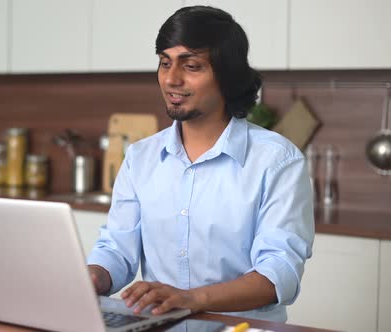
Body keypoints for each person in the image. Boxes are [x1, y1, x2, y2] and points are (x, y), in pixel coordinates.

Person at [87, 5, 314, 322]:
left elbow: (279, 272)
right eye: (165, 63)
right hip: (158, 326)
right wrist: (92, 277)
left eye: (191, 66)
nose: (171, 79)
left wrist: (192, 299)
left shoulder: (277, 160)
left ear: (227, 76)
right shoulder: (140, 158)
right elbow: (117, 249)